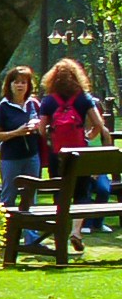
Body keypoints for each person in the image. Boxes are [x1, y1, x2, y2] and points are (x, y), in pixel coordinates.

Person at [37, 58, 111, 253]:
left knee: (59, 191)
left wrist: (51, 140)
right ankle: (76, 231)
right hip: (80, 152)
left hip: (58, 154)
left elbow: (41, 129)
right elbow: (99, 124)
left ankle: (59, 229)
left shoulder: (49, 100)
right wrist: (87, 136)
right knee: (82, 193)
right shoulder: (83, 98)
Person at [0, 66, 41, 208]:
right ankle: (8, 229)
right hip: (11, 158)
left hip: (32, 156)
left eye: (23, 82)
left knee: (31, 194)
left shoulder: (34, 104)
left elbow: (44, 125)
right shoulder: (2, 108)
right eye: (16, 82)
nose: (20, 85)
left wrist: (39, 127)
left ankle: (30, 230)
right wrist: (17, 132)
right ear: (9, 85)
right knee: (9, 195)